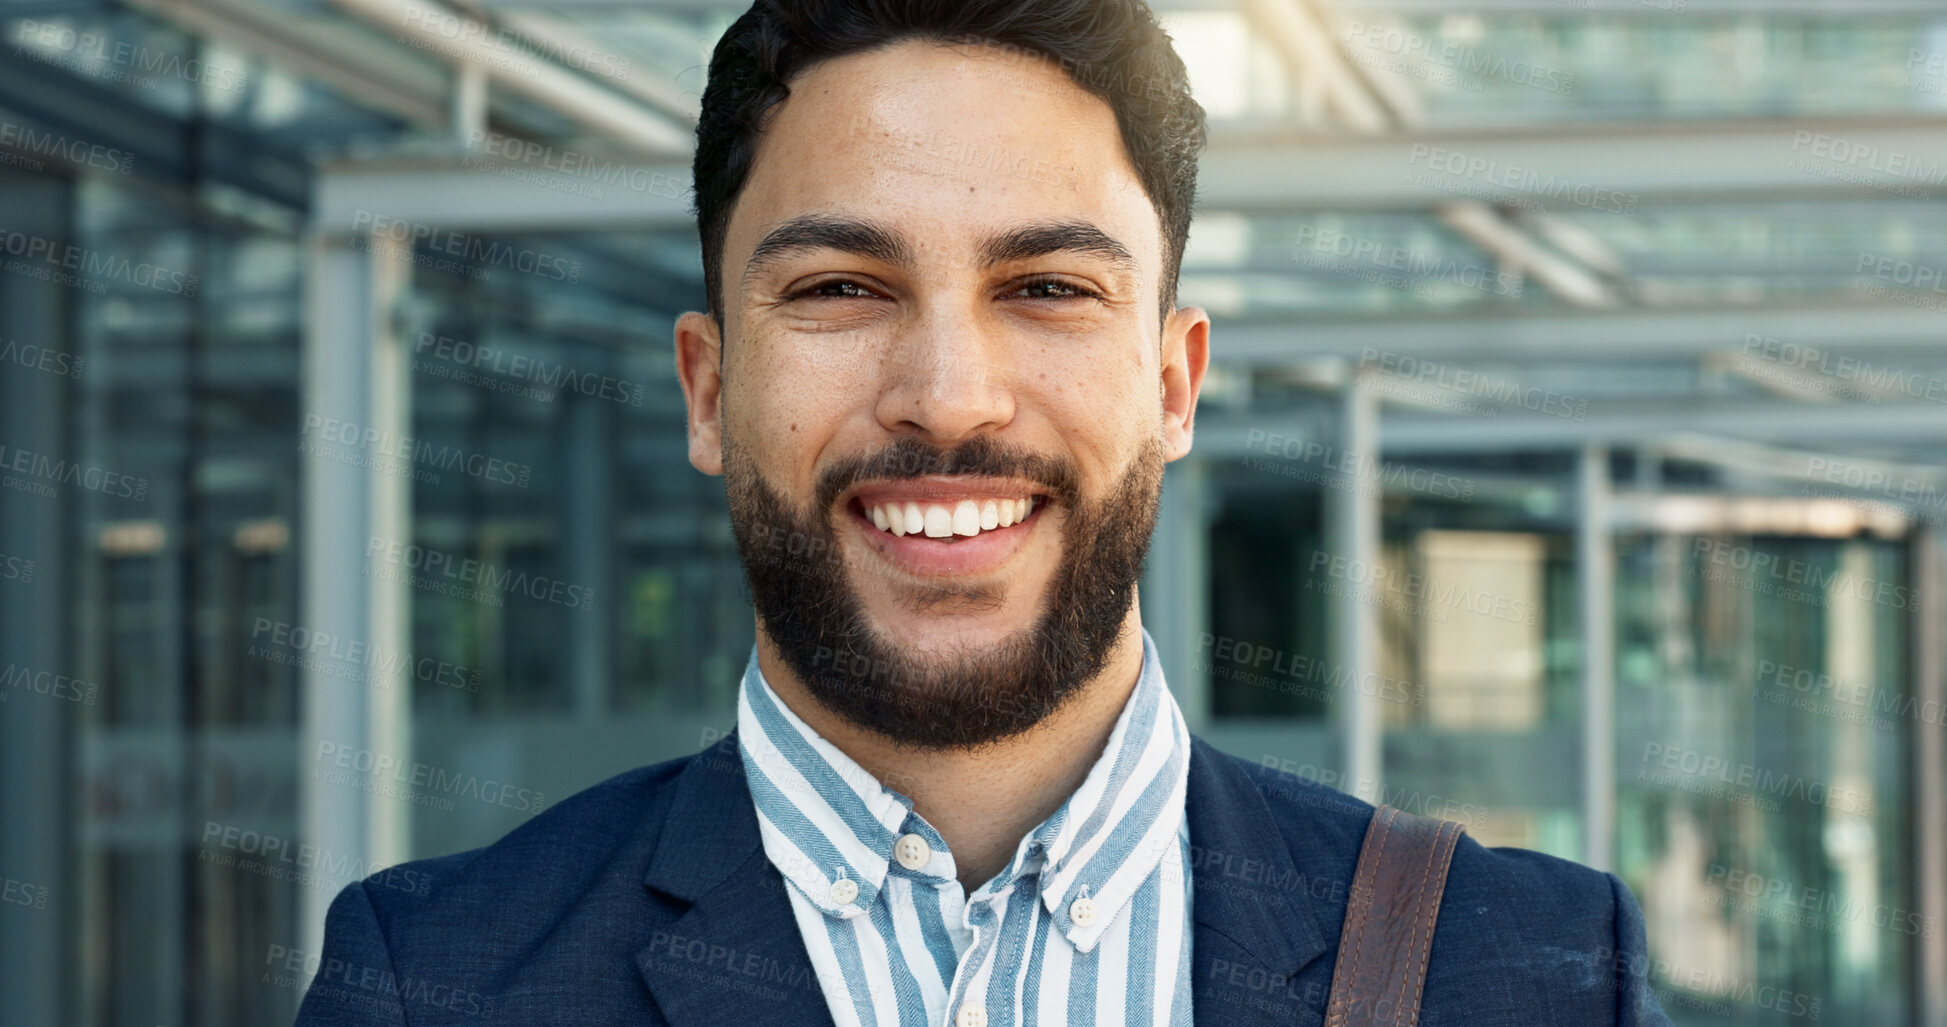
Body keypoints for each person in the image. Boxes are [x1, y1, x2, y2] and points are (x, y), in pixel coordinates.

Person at [296, 0, 1671, 1023]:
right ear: (709, 392)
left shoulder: (1528, 975)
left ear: (1175, 385)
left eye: (1048, 289)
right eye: (840, 287)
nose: (948, 398)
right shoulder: (441, 984)